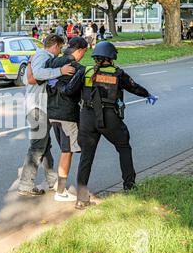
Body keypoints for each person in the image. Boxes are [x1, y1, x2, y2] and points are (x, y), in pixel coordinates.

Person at [60, 41, 157, 209]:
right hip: (110, 118)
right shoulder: (118, 74)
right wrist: (147, 94)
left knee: (86, 157)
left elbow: (69, 91)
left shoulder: (85, 72)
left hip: (87, 119)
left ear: (96, 57)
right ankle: (129, 186)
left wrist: (60, 87)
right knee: (124, 148)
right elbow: (134, 87)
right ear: (111, 58)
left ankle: (81, 200)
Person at [17, 34, 75, 196]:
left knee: (45, 145)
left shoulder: (36, 56)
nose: (60, 51)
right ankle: (25, 185)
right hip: (38, 107)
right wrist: (60, 70)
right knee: (37, 147)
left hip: (37, 106)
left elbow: (26, 78)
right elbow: (37, 75)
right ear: (55, 45)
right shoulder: (43, 56)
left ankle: (52, 181)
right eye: (60, 48)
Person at [44, 37, 88, 201]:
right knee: (67, 151)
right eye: (84, 52)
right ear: (80, 50)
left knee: (64, 149)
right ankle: (61, 191)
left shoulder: (52, 62)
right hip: (67, 114)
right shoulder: (78, 68)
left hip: (51, 112)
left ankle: (58, 185)